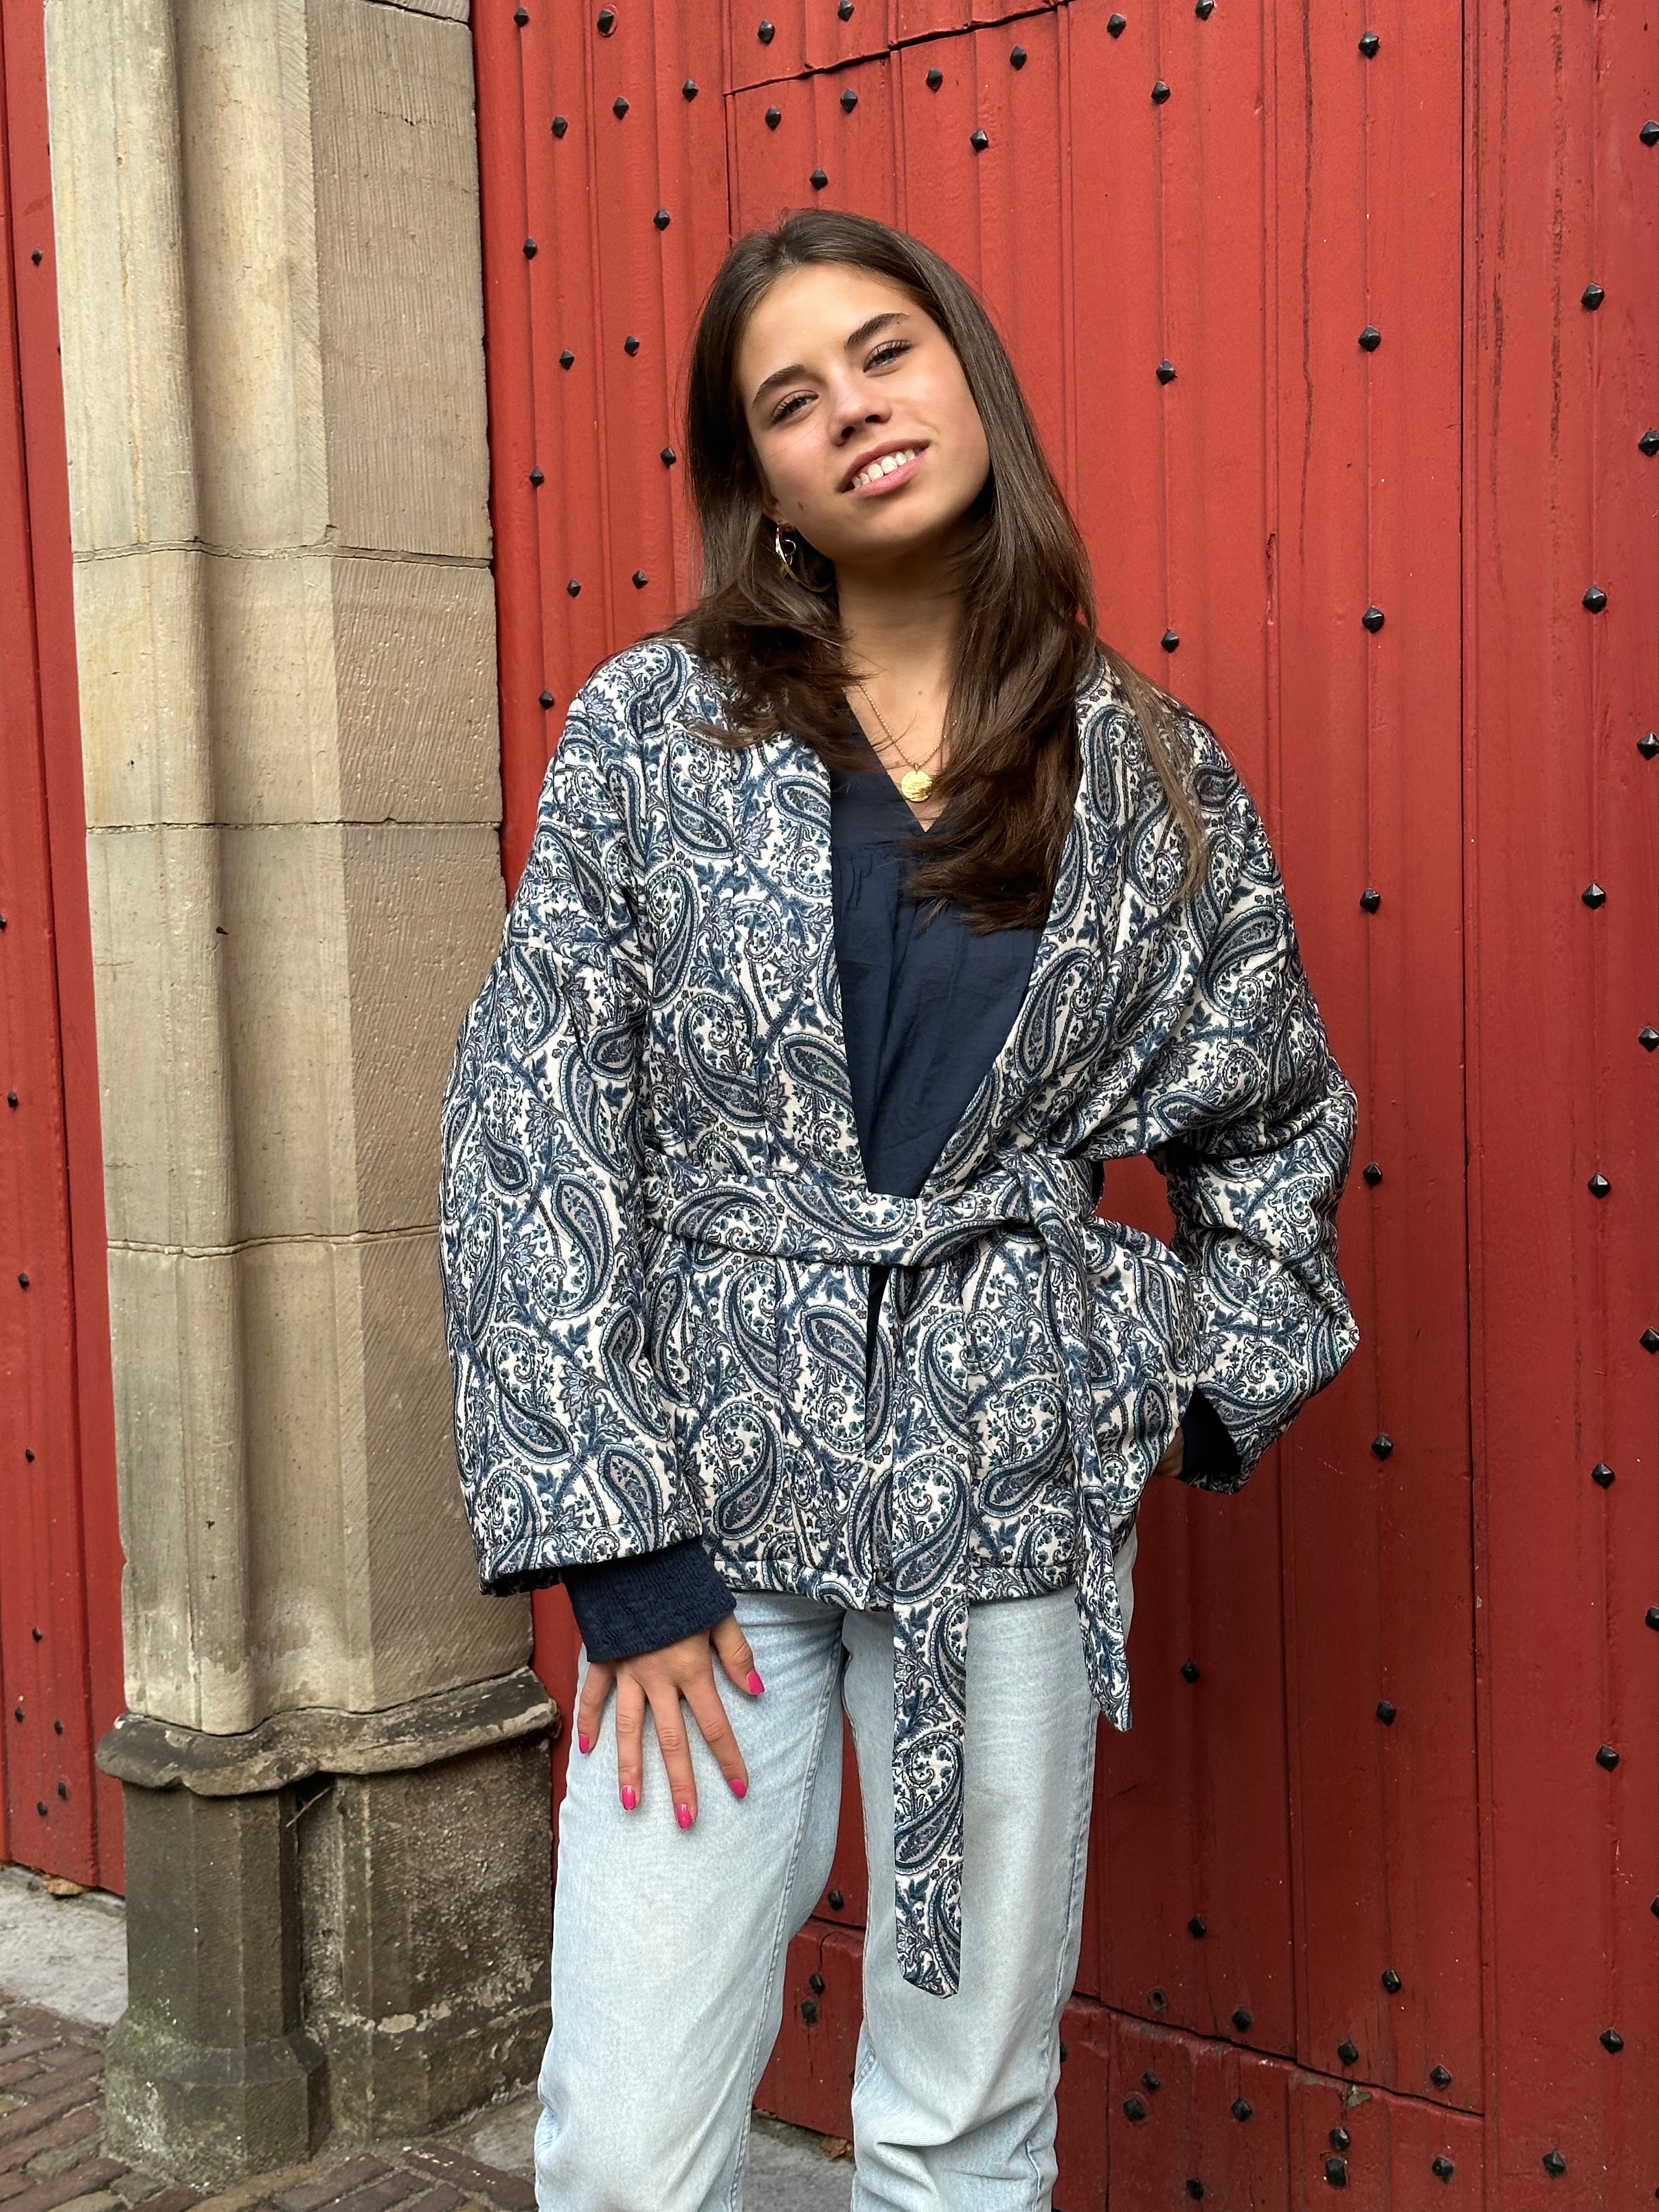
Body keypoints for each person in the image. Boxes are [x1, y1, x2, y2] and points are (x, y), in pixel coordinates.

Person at [438, 208, 1360, 2212]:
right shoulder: (658, 732)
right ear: (760, 483)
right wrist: (620, 1552)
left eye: (884, 353)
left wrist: (1154, 1378)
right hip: (707, 1506)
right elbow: (532, 1124)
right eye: (791, 400)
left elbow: (1272, 1119)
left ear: (968, 380)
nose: (853, 410)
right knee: (628, 2129)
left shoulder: (1148, 770)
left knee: (962, 2113)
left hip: (997, 1501)